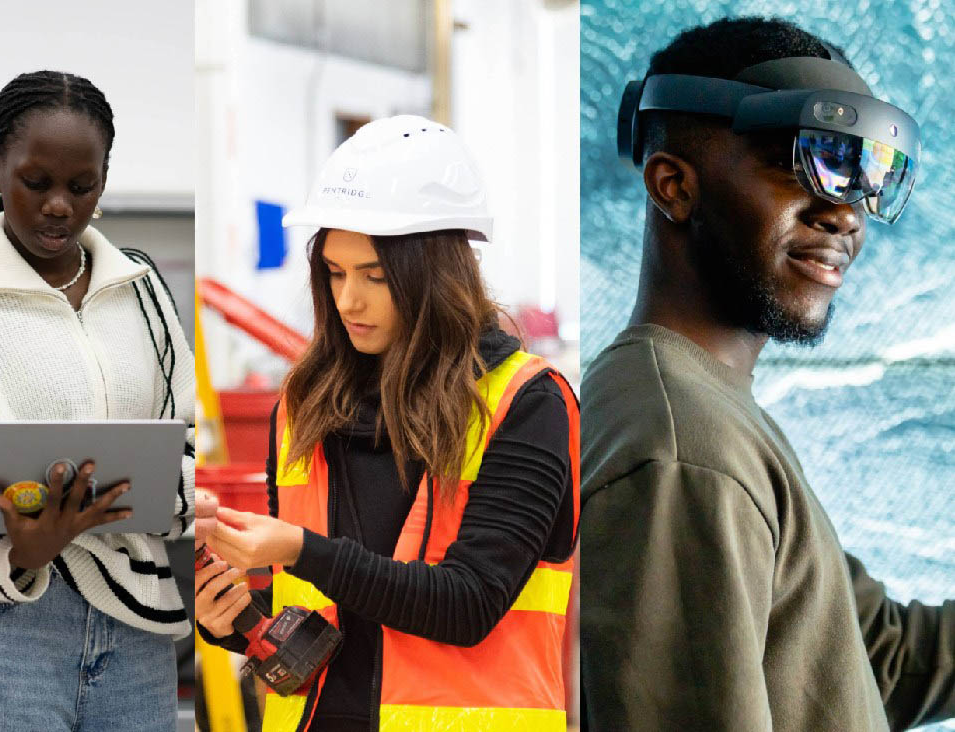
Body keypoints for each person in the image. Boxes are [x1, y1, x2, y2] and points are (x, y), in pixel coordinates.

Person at [581, 17, 955, 731]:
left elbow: (879, 657)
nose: (847, 213)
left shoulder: (711, 412)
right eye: (809, 162)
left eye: (865, 177)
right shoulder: (684, 449)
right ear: (673, 185)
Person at [196, 115, 579, 732]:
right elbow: (317, 615)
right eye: (335, 272)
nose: (348, 300)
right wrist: (232, 618)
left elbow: (469, 603)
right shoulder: (304, 404)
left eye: (374, 276)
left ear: (436, 273)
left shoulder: (525, 403)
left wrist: (297, 549)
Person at [0, 71, 194, 731]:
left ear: (103, 180)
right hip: (7, 631)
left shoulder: (144, 291)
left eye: (81, 185)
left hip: (138, 625)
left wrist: (163, 497)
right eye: (37, 183)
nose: (59, 205)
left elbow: (185, 442)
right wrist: (29, 550)